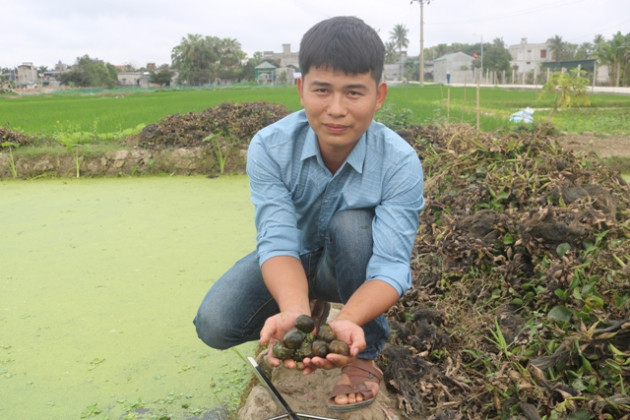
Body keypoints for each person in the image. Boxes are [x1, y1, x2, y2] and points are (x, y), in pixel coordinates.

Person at [194, 16, 425, 412]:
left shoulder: (399, 162)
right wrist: (294, 311)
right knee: (214, 324)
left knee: (351, 225)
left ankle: (363, 356)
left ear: (379, 95)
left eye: (354, 93)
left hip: (350, 266)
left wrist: (349, 320)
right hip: (295, 258)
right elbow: (278, 239)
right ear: (301, 89)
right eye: (322, 90)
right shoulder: (270, 146)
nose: (336, 110)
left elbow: (390, 268)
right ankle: (310, 307)